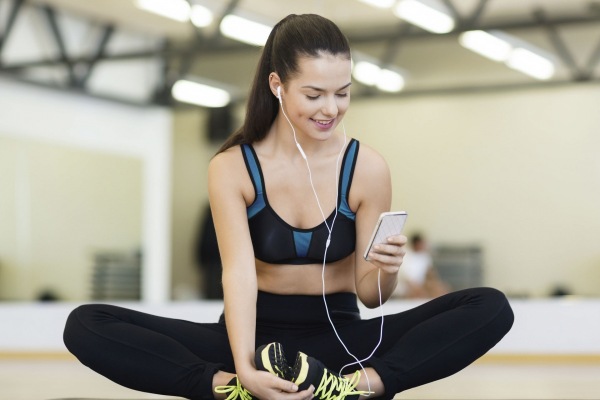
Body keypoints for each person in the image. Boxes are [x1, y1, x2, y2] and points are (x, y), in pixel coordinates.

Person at [63, 14, 514, 400]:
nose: (331, 109)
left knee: (491, 307)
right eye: (314, 94)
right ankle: (227, 389)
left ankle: (353, 388)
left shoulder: (367, 167)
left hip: (343, 341)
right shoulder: (233, 167)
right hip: (252, 335)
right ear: (277, 85)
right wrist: (243, 368)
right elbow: (237, 274)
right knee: (86, 324)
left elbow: (371, 295)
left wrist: (388, 268)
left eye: (343, 93)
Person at [393, 233, 450, 299]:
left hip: (422, 285)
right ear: (417, 244)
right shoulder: (405, 255)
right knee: (418, 292)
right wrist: (417, 287)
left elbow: (430, 273)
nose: (424, 245)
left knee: (442, 288)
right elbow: (405, 277)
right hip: (407, 286)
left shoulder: (425, 256)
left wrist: (437, 284)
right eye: (422, 243)